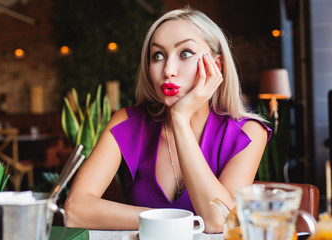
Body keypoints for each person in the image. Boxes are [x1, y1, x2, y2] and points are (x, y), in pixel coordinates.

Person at [64, 7, 271, 233]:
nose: (168, 70)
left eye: (185, 53)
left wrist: (180, 118)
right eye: (158, 55)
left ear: (217, 66)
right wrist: (183, 222)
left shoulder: (248, 133)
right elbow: (75, 211)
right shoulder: (127, 123)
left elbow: (219, 220)